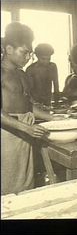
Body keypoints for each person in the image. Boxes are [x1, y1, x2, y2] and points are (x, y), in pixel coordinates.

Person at [1, 22, 57, 195]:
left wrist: (55, 119)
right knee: (8, 182)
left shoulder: (21, 74)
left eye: (30, 53)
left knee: (26, 180)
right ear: (9, 49)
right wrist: (27, 128)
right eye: (24, 52)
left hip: (25, 129)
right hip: (7, 133)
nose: (27, 57)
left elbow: (28, 105)